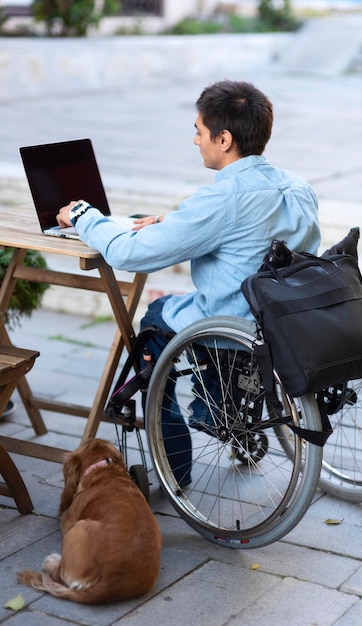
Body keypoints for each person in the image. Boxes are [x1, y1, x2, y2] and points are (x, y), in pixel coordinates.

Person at [57, 80, 321, 487]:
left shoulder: (222, 198)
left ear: (225, 139)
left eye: (199, 131)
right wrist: (171, 220)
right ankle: (236, 416)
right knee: (175, 309)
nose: (195, 140)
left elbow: (131, 254)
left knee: (153, 321)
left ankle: (174, 469)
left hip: (231, 326)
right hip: (284, 319)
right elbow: (248, 229)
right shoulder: (297, 186)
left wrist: (84, 215)